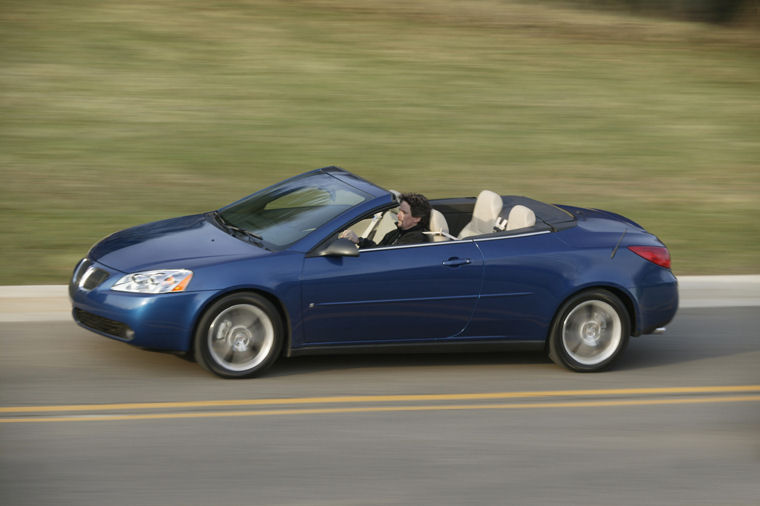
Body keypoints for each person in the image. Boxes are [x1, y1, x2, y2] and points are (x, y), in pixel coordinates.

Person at [341, 192, 431, 248]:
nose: (398, 215)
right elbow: (377, 251)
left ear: (417, 218)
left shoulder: (415, 240)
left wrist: (359, 241)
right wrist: (358, 241)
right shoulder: (394, 233)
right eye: (399, 211)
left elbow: (386, 258)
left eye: (404, 212)